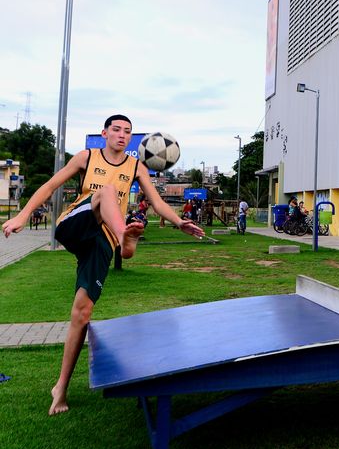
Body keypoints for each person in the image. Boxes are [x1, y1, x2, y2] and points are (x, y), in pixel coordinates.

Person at [1, 114, 204, 416]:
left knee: (81, 314)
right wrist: (21, 216)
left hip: (102, 241)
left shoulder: (136, 166)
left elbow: (158, 202)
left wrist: (178, 222)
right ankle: (125, 237)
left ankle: (61, 388)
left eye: (128, 132)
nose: (122, 135)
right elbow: (50, 186)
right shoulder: (87, 156)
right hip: (76, 224)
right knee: (106, 192)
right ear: (105, 133)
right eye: (117, 130)